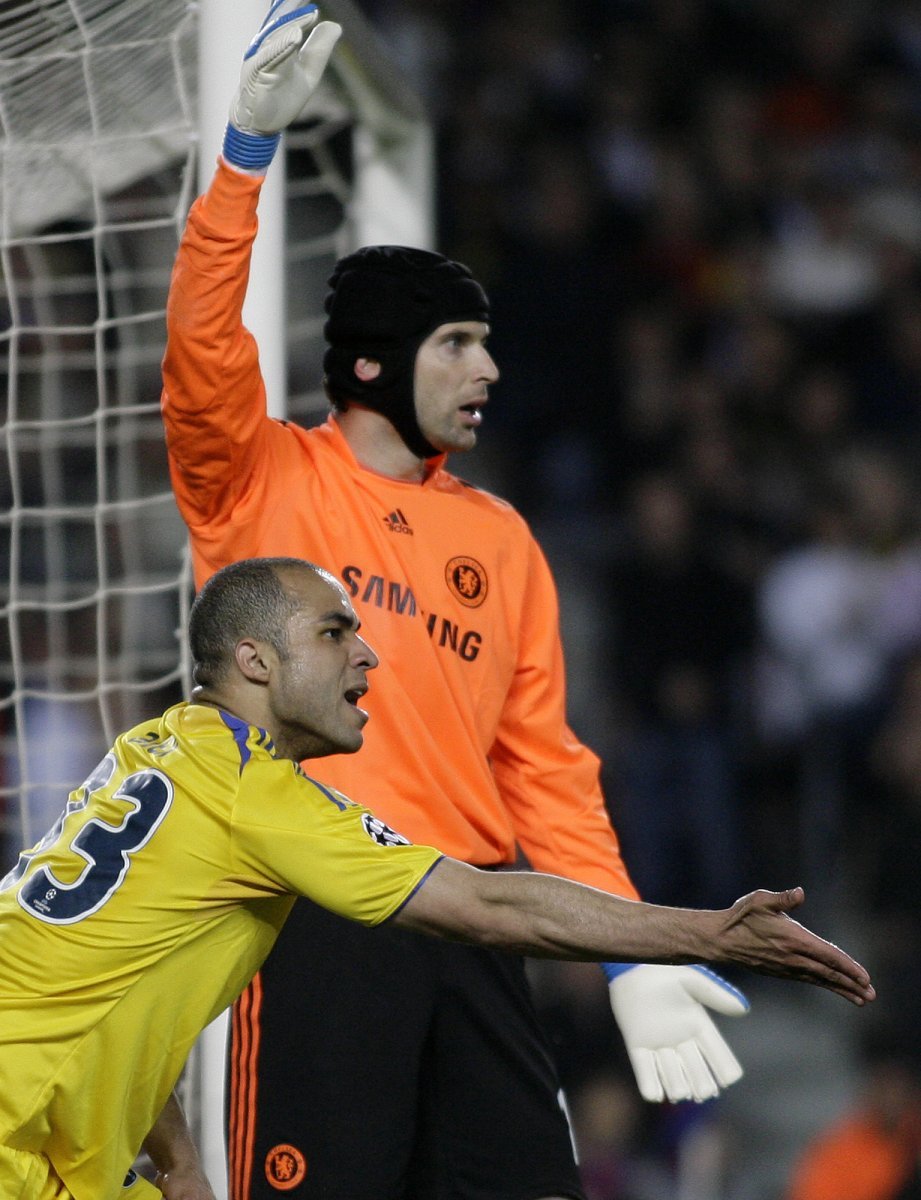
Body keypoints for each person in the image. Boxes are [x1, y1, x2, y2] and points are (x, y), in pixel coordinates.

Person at [161, 4, 773, 1196]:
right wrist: (241, 159)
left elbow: (545, 768)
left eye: (487, 344)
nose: (487, 369)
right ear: (375, 362)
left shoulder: (502, 538)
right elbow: (200, 352)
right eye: (455, 343)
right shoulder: (262, 477)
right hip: (317, 919)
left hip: (479, 926)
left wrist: (623, 952)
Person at [0, 556, 876, 1200]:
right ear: (257, 662)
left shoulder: (160, 746)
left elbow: (121, 976)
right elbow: (488, 903)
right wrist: (707, 935)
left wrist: (182, 1159)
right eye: (333, 632)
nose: (366, 657)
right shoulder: (255, 799)